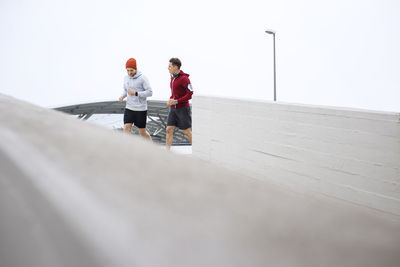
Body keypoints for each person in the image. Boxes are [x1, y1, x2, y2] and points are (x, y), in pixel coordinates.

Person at [119, 58, 152, 141]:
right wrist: (122, 96)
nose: (129, 73)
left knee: (142, 132)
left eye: (131, 70)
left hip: (141, 109)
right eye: (128, 70)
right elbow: (126, 90)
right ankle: (128, 150)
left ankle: (152, 147)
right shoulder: (126, 78)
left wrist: (136, 93)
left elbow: (150, 92)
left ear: (136, 69)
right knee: (126, 129)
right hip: (129, 107)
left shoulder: (143, 78)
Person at [166, 58, 193, 149]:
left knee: (186, 131)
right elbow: (174, 94)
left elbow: (190, 94)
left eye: (170, 66)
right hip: (173, 109)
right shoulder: (172, 78)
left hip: (183, 109)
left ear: (176, 67)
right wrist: (170, 100)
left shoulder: (184, 79)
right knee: (169, 129)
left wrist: (177, 101)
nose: (168, 68)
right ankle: (166, 152)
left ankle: (198, 151)